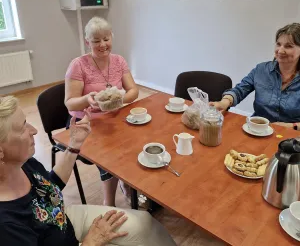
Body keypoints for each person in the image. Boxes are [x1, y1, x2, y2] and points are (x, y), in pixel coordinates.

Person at [0, 96, 177, 246]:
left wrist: (74, 146)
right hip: (64, 237)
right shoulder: (7, 227)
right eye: (23, 127)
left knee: (144, 223)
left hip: (61, 221)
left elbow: (49, 186)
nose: (34, 130)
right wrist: (90, 241)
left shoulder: (24, 164)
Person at [65, 17, 139, 206]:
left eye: (106, 38)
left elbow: (134, 91)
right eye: (96, 40)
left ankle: (127, 180)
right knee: (111, 152)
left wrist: (117, 99)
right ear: (87, 42)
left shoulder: (119, 61)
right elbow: (70, 104)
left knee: (137, 141)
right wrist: (86, 99)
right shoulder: (78, 65)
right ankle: (109, 203)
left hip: (112, 118)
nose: (103, 45)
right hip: (85, 122)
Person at [211, 23, 300, 130]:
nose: (280, 50)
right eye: (278, 44)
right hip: (257, 129)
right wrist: (224, 102)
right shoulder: (261, 70)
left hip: (292, 136)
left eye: (288, 46)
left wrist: (292, 126)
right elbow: (240, 90)